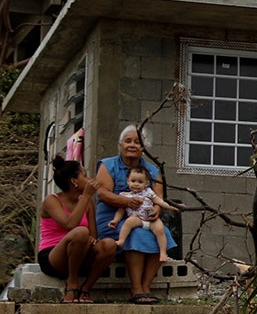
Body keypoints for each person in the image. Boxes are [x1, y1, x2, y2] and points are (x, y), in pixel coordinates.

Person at [94, 125, 175, 304]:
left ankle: (146, 286)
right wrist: (126, 202)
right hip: (114, 221)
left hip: (145, 218)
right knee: (136, 233)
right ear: (120, 144)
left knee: (163, 233)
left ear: (144, 147)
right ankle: (136, 288)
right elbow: (103, 193)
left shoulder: (152, 171)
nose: (132, 145)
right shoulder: (108, 165)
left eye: (137, 142)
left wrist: (157, 209)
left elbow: (158, 197)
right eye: (128, 141)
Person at [38, 156, 118, 303]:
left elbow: (93, 235)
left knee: (109, 244)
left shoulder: (87, 203)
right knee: (81, 232)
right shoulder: (52, 200)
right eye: (85, 175)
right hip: (54, 256)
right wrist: (87, 195)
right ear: (74, 181)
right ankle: (72, 283)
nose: (89, 179)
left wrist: (86, 199)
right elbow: (70, 224)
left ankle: (86, 289)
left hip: (80, 253)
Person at [112, 165, 177, 252]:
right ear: (128, 181)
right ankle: (121, 240)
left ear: (146, 183)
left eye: (140, 182)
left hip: (149, 215)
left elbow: (159, 201)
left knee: (160, 230)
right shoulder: (125, 196)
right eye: (133, 181)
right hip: (137, 217)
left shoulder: (148, 192)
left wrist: (171, 207)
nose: (136, 184)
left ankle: (163, 252)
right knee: (128, 222)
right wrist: (115, 221)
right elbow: (120, 211)